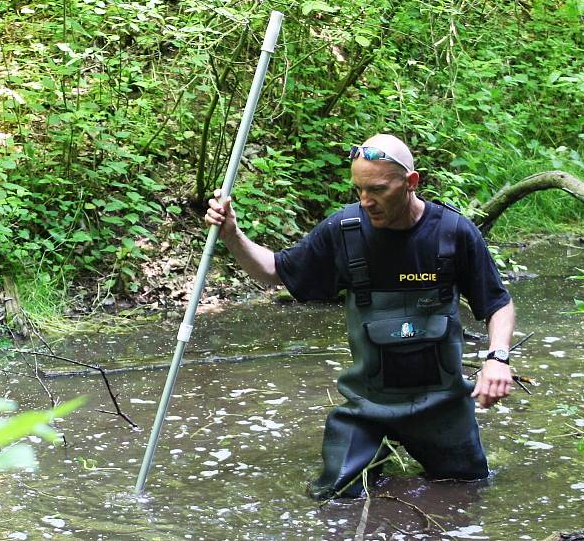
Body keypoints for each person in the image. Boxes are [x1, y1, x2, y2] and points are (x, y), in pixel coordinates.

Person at [205, 133, 515, 499]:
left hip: (442, 405)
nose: (366, 201)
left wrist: (497, 358)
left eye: (378, 190)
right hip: (367, 408)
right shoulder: (343, 231)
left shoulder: (452, 232)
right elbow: (275, 271)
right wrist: (232, 235)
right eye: (359, 190)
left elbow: (497, 303)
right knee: (335, 498)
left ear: (411, 183)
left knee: (469, 492)